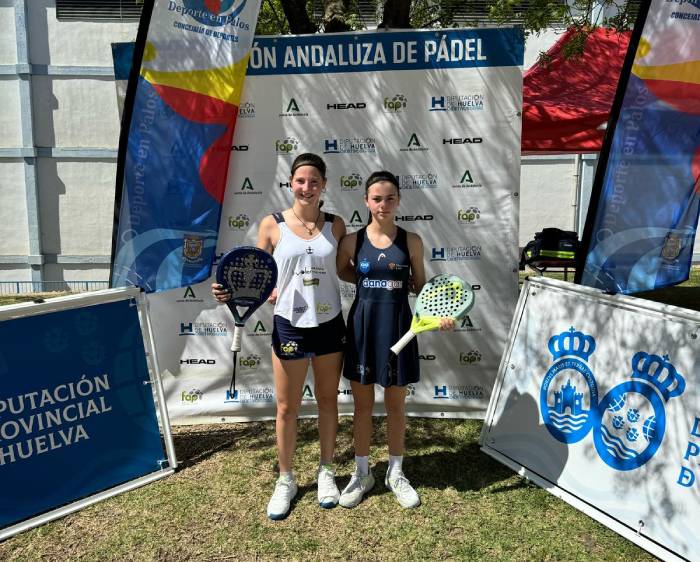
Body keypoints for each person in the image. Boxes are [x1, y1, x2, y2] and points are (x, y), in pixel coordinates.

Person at [212, 153, 346, 520]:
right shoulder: (271, 225)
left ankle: (326, 472)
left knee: (327, 402)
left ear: (323, 185)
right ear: (291, 183)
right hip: (289, 325)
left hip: (330, 324)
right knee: (286, 408)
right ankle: (286, 479)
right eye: (300, 180)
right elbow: (252, 275)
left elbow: (348, 269)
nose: (307, 187)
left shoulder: (337, 225)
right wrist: (227, 291)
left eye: (314, 181)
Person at [336, 171, 454, 509]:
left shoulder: (412, 241)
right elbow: (346, 272)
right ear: (366, 201)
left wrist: (439, 316)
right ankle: (362, 473)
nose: (383, 204)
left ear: (398, 200)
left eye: (390, 198)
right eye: (376, 198)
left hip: (400, 328)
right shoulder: (352, 242)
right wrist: (365, 284)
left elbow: (422, 289)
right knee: (362, 406)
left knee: (395, 406)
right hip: (362, 329)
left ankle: (395, 472)